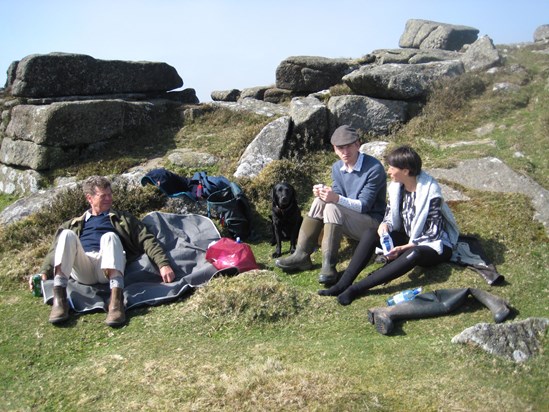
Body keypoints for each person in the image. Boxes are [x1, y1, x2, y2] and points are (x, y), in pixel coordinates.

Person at [318, 145, 460, 305]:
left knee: (415, 253)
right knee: (372, 232)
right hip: (408, 236)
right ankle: (343, 283)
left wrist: (405, 247)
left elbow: (433, 233)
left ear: (405, 171)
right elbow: (390, 215)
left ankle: (356, 289)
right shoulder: (396, 187)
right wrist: (385, 225)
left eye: (392, 167)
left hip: (434, 245)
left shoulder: (431, 192)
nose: (389, 171)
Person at [33, 176, 176, 327]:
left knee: (109, 236)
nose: (109, 199)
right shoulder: (73, 223)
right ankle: (60, 300)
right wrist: (44, 271)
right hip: (84, 267)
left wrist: (163, 264)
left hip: (108, 266)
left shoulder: (123, 219)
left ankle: (116, 303)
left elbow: (147, 240)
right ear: (90, 198)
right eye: (103, 196)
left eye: (110, 194)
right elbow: (55, 250)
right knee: (66, 235)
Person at [275, 124, 387, 286]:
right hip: (348, 219)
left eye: (349, 146)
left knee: (332, 205)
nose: (345, 152)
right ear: (334, 149)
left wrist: (335, 198)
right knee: (321, 201)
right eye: (340, 148)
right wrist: (323, 192)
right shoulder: (337, 167)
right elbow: (336, 194)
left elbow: (364, 205)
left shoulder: (373, 168)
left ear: (358, 144)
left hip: (372, 225)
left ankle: (329, 265)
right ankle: (301, 255)